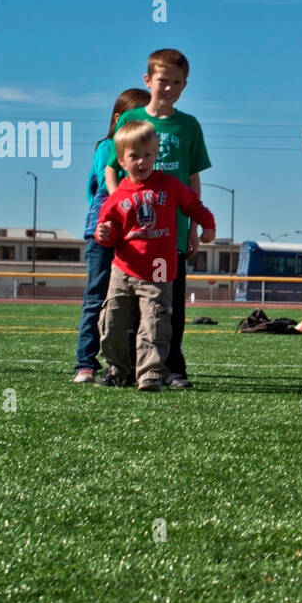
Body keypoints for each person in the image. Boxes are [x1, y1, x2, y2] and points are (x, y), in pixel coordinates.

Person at [105, 49, 209, 389]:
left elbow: (192, 178)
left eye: (177, 82)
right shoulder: (130, 120)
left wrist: (193, 226)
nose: (169, 88)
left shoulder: (188, 125)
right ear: (148, 80)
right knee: (123, 308)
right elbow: (111, 166)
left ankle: (169, 369)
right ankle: (123, 369)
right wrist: (118, 204)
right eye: (163, 80)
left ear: (184, 85)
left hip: (170, 234)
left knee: (168, 307)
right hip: (132, 234)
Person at [94, 120, 215, 391]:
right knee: (112, 322)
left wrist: (207, 224)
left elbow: (193, 205)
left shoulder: (169, 185)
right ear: (122, 161)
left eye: (148, 155)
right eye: (134, 156)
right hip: (123, 268)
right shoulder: (116, 197)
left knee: (155, 322)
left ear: (156, 155)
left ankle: (150, 374)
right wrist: (103, 234)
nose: (142, 161)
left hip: (159, 268)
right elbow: (110, 234)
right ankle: (118, 370)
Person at [73, 88, 149, 383]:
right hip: (103, 231)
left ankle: (124, 364)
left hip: (133, 233)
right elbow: (97, 189)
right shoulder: (108, 147)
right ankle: (85, 363)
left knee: (129, 300)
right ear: (118, 118)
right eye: (135, 117)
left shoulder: (145, 153)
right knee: (97, 296)